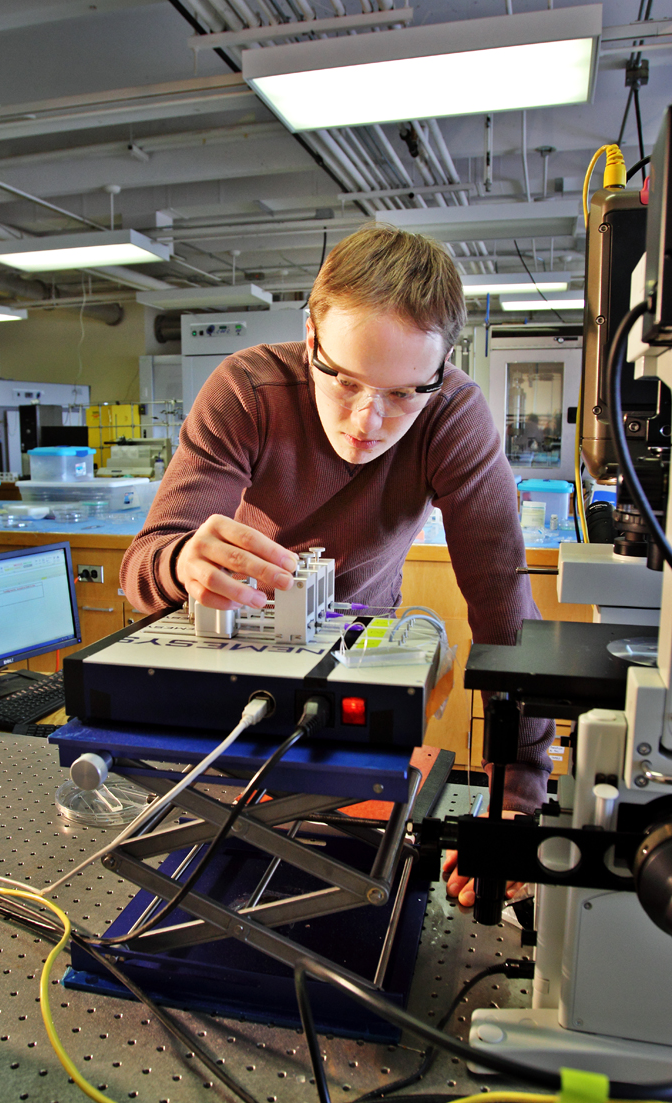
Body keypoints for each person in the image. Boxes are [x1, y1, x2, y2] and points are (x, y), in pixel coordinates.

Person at [121, 224, 554, 905]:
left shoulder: (453, 414)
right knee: (217, 873)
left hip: (358, 674)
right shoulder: (247, 390)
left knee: (352, 883)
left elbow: (503, 610)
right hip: (239, 666)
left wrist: (519, 798)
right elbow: (142, 567)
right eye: (343, 380)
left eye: (403, 392)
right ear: (310, 335)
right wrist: (181, 562)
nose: (366, 420)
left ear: (440, 369)